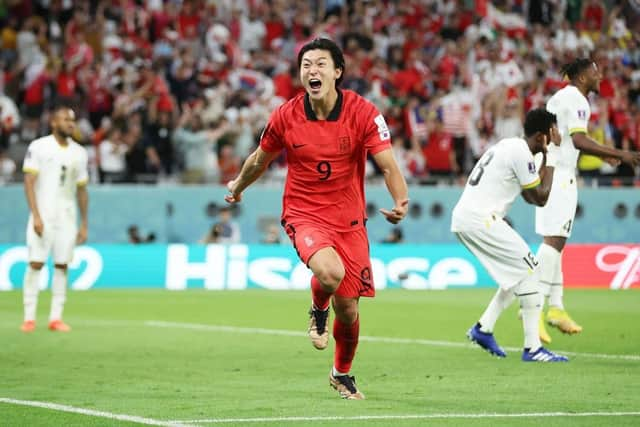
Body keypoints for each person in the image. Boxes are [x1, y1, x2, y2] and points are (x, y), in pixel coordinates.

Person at [224, 38, 409, 399]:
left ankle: (341, 373)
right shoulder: (285, 115)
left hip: (350, 219)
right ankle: (317, 306)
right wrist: (238, 185)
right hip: (304, 212)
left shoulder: (364, 113)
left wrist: (400, 199)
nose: (313, 70)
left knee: (350, 307)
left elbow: (387, 164)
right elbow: (259, 160)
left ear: (337, 72)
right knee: (330, 273)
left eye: (321, 64)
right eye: (306, 64)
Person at [452, 108, 568, 362]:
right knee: (532, 270)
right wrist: (553, 155)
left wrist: (545, 158)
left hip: (469, 218)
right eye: (553, 133)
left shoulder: (511, 147)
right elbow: (541, 198)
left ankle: (484, 328)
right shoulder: (521, 152)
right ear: (542, 136)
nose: (557, 136)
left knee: (519, 274)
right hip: (480, 219)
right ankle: (533, 349)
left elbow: (529, 194)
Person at [536, 59, 640, 342]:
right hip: (560, 175)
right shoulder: (578, 99)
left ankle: (556, 307)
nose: (600, 75)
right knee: (553, 242)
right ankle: (533, 310)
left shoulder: (561, 97)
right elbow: (579, 140)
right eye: (595, 72)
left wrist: (601, 154)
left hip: (548, 170)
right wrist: (620, 154)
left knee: (555, 240)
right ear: (582, 77)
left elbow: (570, 141)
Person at [20, 106, 89, 333]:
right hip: (44, 213)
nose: (70, 123)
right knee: (36, 263)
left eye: (72, 120)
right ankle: (29, 317)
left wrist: (84, 223)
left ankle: (55, 318)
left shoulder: (79, 152)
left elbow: (81, 190)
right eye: (65, 119)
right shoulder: (39, 147)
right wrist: (36, 215)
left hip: (67, 216)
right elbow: (29, 182)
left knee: (62, 265)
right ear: (53, 123)